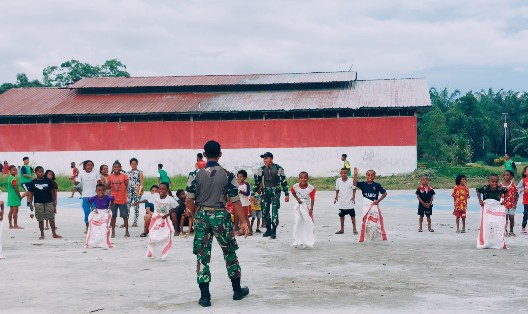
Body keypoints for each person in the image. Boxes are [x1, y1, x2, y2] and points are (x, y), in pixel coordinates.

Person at [186, 140, 249, 307]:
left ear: (204, 155)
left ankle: (205, 296)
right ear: (220, 154)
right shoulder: (228, 175)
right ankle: (237, 290)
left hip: (201, 216)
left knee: (202, 255)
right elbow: (236, 201)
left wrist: (195, 215)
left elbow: (189, 199)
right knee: (229, 252)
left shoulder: (195, 175)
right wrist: (243, 222)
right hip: (221, 216)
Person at [133, 182, 177, 259]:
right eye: (160, 189)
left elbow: (176, 207)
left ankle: (164, 251)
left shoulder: (170, 199)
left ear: (167, 190)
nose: (161, 190)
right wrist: (138, 202)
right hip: (155, 220)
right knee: (152, 235)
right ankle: (150, 250)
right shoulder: (155, 196)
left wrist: (167, 214)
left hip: (165, 220)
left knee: (167, 234)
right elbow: (147, 200)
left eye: (163, 189)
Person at [252, 152, 289, 239]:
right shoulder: (261, 169)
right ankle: (268, 229)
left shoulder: (278, 168)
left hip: (276, 192)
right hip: (265, 192)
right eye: (263, 159)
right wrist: (253, 193)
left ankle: (274, 230)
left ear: (271, 159)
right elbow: (257, 182)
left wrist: (286, 193)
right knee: (265, 211)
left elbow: (284, 181)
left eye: (266, 158)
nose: (264, 160)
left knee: (274, 211)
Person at [353, 168, 388, 242]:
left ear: (374, 176)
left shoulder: (377, 185)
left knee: (375, 222)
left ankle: (376, 237)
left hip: (374, 206)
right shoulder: (363, 184)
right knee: (366, 222)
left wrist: (378, 201)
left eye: (372, 175)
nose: (370, 177)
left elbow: (384, 193)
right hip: (366, 207)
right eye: (368, 175)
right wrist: (355, 175)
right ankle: (367, 237)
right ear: (366, 176)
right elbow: (354, 184)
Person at [27, 166, 62, 240]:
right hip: (38, 203)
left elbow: (52, 191)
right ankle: (42, 234)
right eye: (39, 172)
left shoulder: (48, 181)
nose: (41, 173)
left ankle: (54, 233)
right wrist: (30, 203)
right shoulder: (33, 182)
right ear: (36, 173)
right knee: (40, 219)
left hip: (49, 202)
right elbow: (30, 193)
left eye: (42, 172)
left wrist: (54, 201)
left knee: (51, 218)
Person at [476, 174, 508, 249]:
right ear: (489, 181)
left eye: (496, 182)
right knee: (487, 224)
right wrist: (480, 200)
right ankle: (486, 240)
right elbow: (478, 191)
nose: (494, 183)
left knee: (496, 224)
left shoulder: (500, 189)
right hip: (487, 208)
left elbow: (506, 191)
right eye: (492, 182)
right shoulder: (485, 188)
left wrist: (504, 200)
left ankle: (496, 241)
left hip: (496, 208)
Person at [291, 171, 316, 248]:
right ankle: (299, 239)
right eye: (301, 178)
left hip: (307, 207)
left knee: (309, 222)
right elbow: (293, 192)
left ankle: (309, 239)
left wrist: (311, 209)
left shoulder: (311, 188)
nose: (303, 179)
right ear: (299, 179)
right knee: (299, 221)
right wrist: (297, 199)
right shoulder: (295, 186)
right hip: (299, 206)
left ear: (307, 179)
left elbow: (312, 199)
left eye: (305, 178)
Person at [85, 184, 114, 249]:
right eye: (99, 190)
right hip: (97, 212)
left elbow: (113, 198)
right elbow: (87, 200)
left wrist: (110, 206)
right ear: (96, 191)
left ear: (105, 191)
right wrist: (92, 207)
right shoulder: (94, 197)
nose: (101, 192)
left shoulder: (107, 197)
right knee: (93, 227)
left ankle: (104, 243)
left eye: (102, 190)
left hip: (105, 212)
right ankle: (93, 242)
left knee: (104, 227)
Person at [107, 160, 130, 238]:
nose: (116, 168)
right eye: (115, 167)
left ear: (120, 168)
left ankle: (127, 231)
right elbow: (107, 186)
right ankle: (113, 232)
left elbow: (127, 185)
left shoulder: (124, 176)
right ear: (113, 168)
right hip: (113, 200)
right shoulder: (110, 176)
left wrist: (126, 192)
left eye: (118, 167)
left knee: (124, 216)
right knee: (113, 216)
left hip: (122, 199)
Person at [77, 160, 99, 234]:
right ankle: (87, 227)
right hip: (85, 196)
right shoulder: (81, 174)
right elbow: (78, 185)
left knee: (95, 212)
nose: (90, 166)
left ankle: (95, 228)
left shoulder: (95, 173)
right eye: (88, 165)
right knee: (87, 212)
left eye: (91, 165)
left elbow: (99, 183)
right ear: (85, 166)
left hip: (95, 196)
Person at [334, 168, 357, 235]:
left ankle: (354, 229)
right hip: (342, 202)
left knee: (352, 216)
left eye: (345, 173)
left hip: (349, 202)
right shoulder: (338, 180)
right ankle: (342, 229)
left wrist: (353, 196)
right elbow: (337, 189)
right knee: (341, 216)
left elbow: (354, 188)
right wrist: (336, 196)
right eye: (342, 173)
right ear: (340, 173)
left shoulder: (351, 180)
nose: (343, 174)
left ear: (347, 173)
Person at [127, 158, 144, 228]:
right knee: (127, 206)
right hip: (129, 191)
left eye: (135, 164)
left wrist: (140, 192)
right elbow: (127, 183)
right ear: (130, 165)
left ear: (137, 164)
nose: (133, 165)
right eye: (132, 164)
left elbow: (142, 183)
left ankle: (135, 222)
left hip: (137, 191)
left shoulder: (140, 172)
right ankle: (126, 221)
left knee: (136, 207)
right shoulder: (128, 173)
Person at [501, 170, 518, 237]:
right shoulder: (501, 185)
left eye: (508, 175)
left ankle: (511, 231)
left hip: (511, 204)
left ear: (511, 177)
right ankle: (505, 230)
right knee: (505, 218)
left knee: (511, 218)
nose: (506, 176)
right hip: (503, 205)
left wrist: (515, 203)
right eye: (504, 175)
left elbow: (516, 194)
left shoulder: (513, 185)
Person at [237, 170, 252, 236]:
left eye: (241, 177)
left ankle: (250, 230)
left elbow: (248, 193)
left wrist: (241, 191)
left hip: (245, 202)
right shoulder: (237, 184)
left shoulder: (246, 184)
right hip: (239, 202)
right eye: (238, 177)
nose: (239, 178)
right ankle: (243, 230)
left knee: (245, 217)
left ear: (244, 177)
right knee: (240, 217)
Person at [518, 166, 528, 234]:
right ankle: (523, 227)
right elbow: (517, 188)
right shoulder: (523, 180)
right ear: (525, 172)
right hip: (526, 201)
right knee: (526, 214)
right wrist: (521, 190)